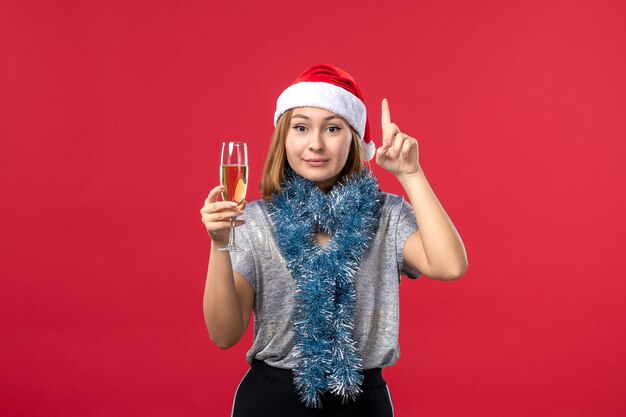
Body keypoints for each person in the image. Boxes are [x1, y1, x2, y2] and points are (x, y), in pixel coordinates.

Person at [200, 64, 468, 417]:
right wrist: (220, 244)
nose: (315, 143)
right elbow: (224, 335)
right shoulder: (256, 220)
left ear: (354, 139)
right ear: (284, 138)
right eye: (301, 127)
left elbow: (450, 266)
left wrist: (411, 174)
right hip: (272, 402)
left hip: (361, 401)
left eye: (332, 128)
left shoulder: (386, 215)